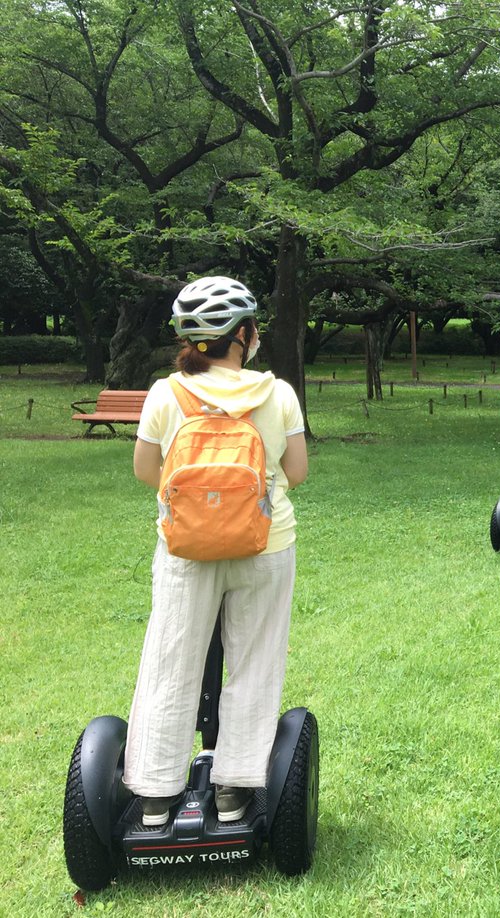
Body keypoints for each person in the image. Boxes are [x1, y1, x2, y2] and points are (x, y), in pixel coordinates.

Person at [124, 276, 308, 826]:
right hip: (265, 546)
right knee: (254, 661)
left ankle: (156, 794)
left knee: (171, 660)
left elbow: (146, 472)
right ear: (244, 334)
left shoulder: (166, 393)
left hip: (184, 551)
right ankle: (232, 791)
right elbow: (295, 473)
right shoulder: (277, 394)